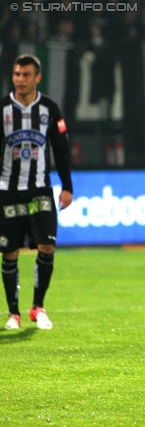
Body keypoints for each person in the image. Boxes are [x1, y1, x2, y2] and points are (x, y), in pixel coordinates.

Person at [1, 54, 74, 330]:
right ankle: (13, 313)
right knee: (9, 251)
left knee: (47, 244)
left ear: (37, 77)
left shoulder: (50, 109)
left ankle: (38, 307)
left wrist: (67, 186)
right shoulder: (3, 108)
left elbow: (61, 148)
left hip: (39, 191)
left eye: (26, 75)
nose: (20, 79)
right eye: (17, 74)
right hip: (7, 191)